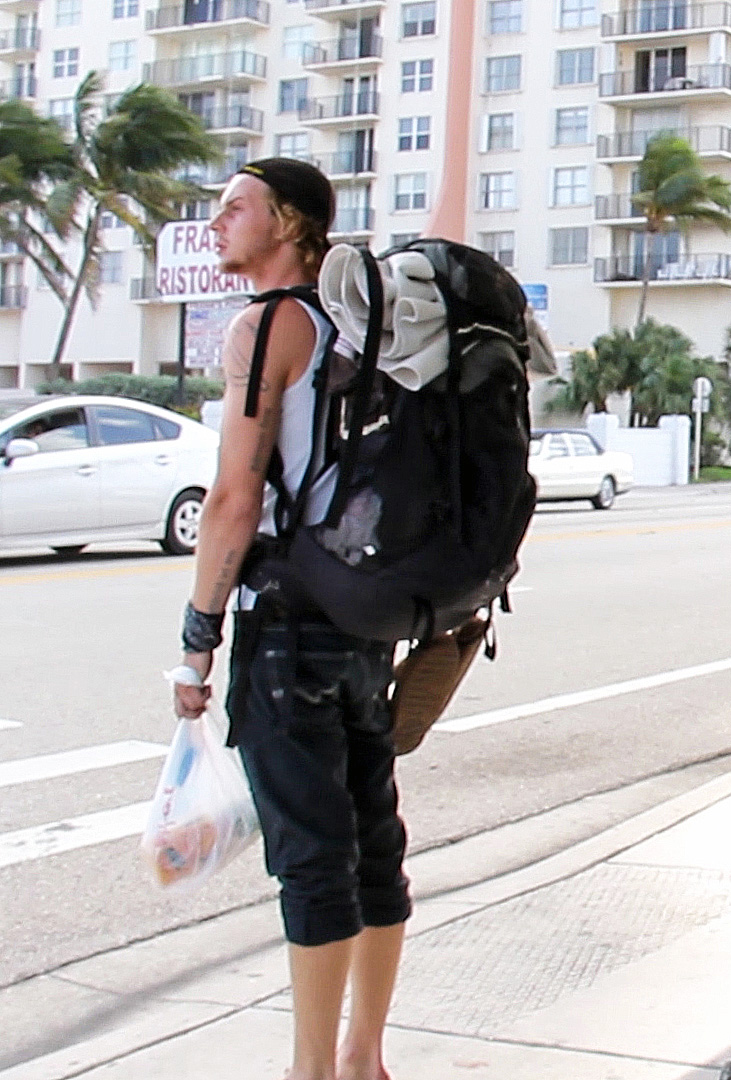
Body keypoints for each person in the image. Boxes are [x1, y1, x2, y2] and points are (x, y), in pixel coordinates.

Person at [171, 158, 408, 1080]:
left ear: (295, 225)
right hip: (360, 616)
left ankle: (310, 1076)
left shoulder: (267, 324)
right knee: (372, 844)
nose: (216, 222)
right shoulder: (360, 324)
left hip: (285, 623)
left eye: (236, 208)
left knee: (313, 858)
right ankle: (362, 1060)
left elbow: (234, 496)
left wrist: (198, 640)